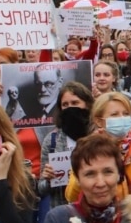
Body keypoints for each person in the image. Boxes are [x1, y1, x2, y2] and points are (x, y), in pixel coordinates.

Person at [36, 134, 125, 223]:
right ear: (77, 179)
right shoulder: (59, 220)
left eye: (108, 172)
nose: (100, 183)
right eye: (90, 174)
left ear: (119, 175)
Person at [66, 91, 131, 202]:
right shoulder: (87, 150)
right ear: (99, 121)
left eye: (126, 114)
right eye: (114, 115)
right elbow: (71, 195)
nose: (122, 118)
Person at [37, 81, 94, 213]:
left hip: (94, 209)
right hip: (63, 212)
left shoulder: (98, 135)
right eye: (65, 105)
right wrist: (47, 179)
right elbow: (41, 188)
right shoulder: (51, 140)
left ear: (87, 104)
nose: (70, 108)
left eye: (75, 103)